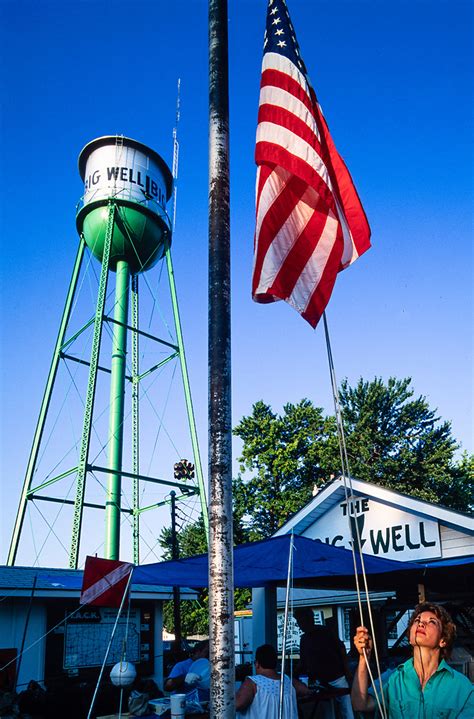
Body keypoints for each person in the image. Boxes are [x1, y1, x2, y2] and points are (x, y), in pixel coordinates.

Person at [351, 602, 474, 718]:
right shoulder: (392, 678)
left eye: (432, 622)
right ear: (410, 638)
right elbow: (360, 704)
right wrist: (363, 658)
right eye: (417, 620)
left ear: (443, 641)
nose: (421, 624)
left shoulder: (462, 688)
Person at [294, 607, 354, 719]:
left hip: (338, 679)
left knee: (347, 711)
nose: (299, 625)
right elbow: (303, 662)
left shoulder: (326, 632)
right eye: (298, 622)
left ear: (309, 619)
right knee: (328, 714)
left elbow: (341, 649)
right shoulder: (304, 640)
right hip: (321, 683)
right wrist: (292, 676)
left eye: (300, 621)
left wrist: (347, 671)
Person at [236, 644, 308, 718]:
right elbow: (306, 690)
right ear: (276, 663)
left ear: (257, 664)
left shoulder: (253, 683)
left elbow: (237, 704)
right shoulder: (287, 680)